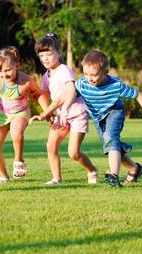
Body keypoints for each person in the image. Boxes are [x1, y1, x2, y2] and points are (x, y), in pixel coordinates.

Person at [59, 50, 142, 187]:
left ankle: (113, 175)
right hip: (98, 118)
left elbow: (138, 95)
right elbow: (71, 93)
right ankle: (134, 169)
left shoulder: (115, 85)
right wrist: (64, 108)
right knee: (111, 144)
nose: (89, 78)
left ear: (105, 72)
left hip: (114, 111)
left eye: (94, 75)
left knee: (111, 140)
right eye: (86, 74)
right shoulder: (83, 83)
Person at [29, 32, 98, 185]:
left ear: (58, 53)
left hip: (76, 113)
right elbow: (44, 95)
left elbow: (70, 91)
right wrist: (48, 112)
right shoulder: (47, 75)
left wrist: (57, 110)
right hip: (61, 115)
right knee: (51, 145)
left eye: (49, 54)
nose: (45, 58)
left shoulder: (64, 70)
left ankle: (92, 170)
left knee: (73, 153)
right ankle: (56, 179)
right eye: (42, 55)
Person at [0, 46, 49, 184]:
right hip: (1, 114)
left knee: (16, 133)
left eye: (7, 70)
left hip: (20, 113)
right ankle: (3, 176)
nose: (4, 74)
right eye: (0, 71)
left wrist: (47, 112)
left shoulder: (26, 81)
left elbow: (38, 95)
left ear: (17, 65)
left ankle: (18, 159)